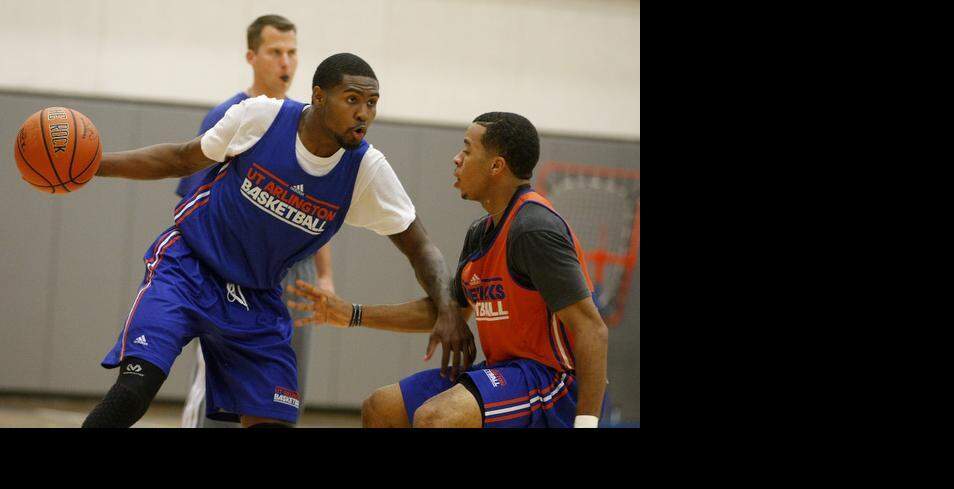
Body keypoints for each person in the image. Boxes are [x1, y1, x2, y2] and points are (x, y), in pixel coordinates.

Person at [81, 53, 474, 428]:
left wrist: (448, 310)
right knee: (134, 390)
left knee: (275, 421)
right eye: (352, 99)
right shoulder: (262, 117)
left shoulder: (366, 170)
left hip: (256, 296)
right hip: (188, 268)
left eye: (372, 103)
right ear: (318, 96)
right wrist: (93, 166)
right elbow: (180, 158)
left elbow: (421, 245)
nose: (364, 113)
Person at [286, 112, 608, 428]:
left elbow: (592, 328)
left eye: (467, 150)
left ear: (496, 166)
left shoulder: (534, 229)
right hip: (503, 372)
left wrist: (586, 422)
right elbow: (446, 312)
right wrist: (352, 314)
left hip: (551, 382)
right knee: (382, 407)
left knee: (436, 418)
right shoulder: (481, 232)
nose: (457, 159)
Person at [176, 14, 334, 428]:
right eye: (275, 52)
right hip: (232, 272)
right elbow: (194, 207)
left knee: (283, 396)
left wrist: (325, 276)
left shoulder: (308, 124)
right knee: (220, 395)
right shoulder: (226, 116)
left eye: (292, 52)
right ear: (252, 57)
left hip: (293, 275)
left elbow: (319, 206)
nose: (286, 62)